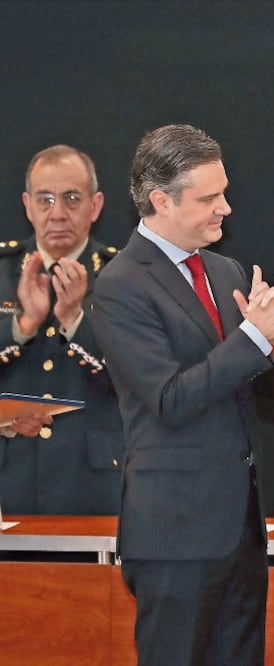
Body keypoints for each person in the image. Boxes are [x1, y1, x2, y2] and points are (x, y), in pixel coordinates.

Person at [91, 124, 274, 666]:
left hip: (239, 529)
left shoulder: (224, 269)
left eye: (224, 192)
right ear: (161, 200)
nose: (226, 209)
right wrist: (253, 337)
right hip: (174, 535)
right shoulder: (121, 284)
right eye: (210, 198)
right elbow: (170, 399)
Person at [0, 145, 124, 515]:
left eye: (71, 198)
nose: (57, 213)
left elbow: (142, 381)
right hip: (10, 482)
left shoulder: (125, 277)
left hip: (93, 487)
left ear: (95, 205)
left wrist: (75, 322)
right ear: (27, 205)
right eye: (45, 199)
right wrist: (22, 326)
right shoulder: (2, 270)